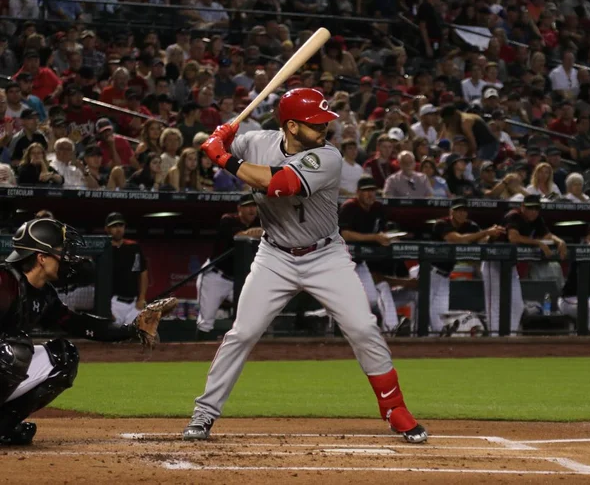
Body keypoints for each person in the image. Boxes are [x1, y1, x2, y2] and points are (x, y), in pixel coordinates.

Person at [183, 88, 427, 444]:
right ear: (292, 126)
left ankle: (394, 409)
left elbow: (278, 183)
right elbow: (211, 150)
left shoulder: (328, 157)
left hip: (325, 255)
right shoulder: (254, 142)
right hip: (275, 255)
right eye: (316, 124)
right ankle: (203, 414)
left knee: (362, 327)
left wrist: (222, 157)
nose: (325, 129)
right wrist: (217, 138)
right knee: (242, 333)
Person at [0, 218, 156, 445]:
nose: (66, 258)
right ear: (41, 258)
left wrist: (131, 329)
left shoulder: (44, 293)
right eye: (60, 252)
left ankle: (4, 426)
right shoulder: (5, 281)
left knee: (64, 357)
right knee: (15, 352)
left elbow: (78, 324)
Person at [338, 175, 416, 334]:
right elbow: (345, 234)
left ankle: (375, 329)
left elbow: (381, 231)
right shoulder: (349, 207)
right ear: (358, 192)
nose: (370, 194)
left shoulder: (378, 208)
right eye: (366, 191)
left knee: (372, 299)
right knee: (343, 300)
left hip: (359, 262)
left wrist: (389, 237)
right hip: (341, 263)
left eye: (372, 191)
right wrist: (374, 238)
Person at [481, 195, 567, 335]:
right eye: (529, 208)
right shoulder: (514, 216)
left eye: (536, 208)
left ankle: (511, 335)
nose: (533, 211)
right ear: (522, 207)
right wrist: (538, 243)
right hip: (494, 261)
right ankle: (494, 338)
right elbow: (513, 238)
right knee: (494, 303)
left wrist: (559, 241)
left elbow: (547, 235)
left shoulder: (537, 219)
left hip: (510, 264)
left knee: (517, 305)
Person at [428, 199, 504, 333]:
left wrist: (493, 235)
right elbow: (456, 239)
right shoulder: (441, 223)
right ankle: (415, 338)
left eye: (464, 211)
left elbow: (482, 241)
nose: (462, 214)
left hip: (445, 274)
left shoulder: (471, 226)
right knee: (424, 308)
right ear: (451, 212)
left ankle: (437, 343)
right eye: (458, 211)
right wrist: (486, 232)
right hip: (429, 271)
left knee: (441, 314)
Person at [196, 194, 261, 340]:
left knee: (252, 315)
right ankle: (199, 354)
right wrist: (256, 233)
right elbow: (239, 236)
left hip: (239, 280)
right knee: (206, 323)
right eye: (247, 206)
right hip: (215, 277)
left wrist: (259, 231)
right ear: (239, 209)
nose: (251, 210)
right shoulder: (228, 219)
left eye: (254, 206)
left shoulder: (259, 220)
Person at [105, 213, 148, 326]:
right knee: (113, 338)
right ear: (107, 229)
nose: (118, 229)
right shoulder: (104, 249)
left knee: (136, 337)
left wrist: (142, 298)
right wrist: (105, 307)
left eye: (121, 225)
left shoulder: (133, 247)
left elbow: (142, 272)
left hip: (134, 303)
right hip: (114, 303)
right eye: (114, 226)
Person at [558, 223, 590, 332]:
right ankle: (583, 336)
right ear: (587, 237)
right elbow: (585, 249)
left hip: (589, 298)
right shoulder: (579, 250)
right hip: (569, 299)